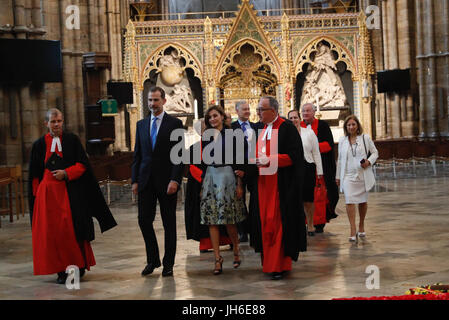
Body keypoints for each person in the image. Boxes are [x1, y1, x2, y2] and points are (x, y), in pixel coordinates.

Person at [28, 108, 117, 284]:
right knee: (53, 234)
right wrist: (38, 197)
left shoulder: (72, 140)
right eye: (53, 122)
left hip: (70, 194)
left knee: (70, 231)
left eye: (59, 121)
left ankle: (77, 266)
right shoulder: (38, 145)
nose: (57, 125)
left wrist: (66, 173)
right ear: (46, 123)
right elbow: (34, 175)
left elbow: (83, 165)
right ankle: (61, 271)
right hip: (47, 197)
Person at [132, 86, 184, 277]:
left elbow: (179, 155)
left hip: (167, 181)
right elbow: (138, 155)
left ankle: (168, 263)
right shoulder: (141, 124)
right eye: (149, 100)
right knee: (143, 221)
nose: (152, 104)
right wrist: (134, 180)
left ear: (163, 101)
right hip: (145, 181)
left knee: (169, 223)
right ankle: (152, 259)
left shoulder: (175, 123)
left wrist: (175, 180)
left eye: (155, 100)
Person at [253, 97, 306, 280]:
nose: (258, 112)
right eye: (258, 109)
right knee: (266, 223)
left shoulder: (286, 128)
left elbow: (295, 156)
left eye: (261, 109)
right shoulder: (263, 129)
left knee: (277, 224)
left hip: (280, 185)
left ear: (273, 111)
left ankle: (279, 265)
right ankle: (269, 263)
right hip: (263, 185)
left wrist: (271, 159)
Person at [200, 105, 246, 275]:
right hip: (211, 177)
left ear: (221, 116)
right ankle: (217, 258)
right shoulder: (206, 137)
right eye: (209, 117)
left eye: (215, 116)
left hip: (228, 176)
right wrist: (202, 185)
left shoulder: (233, 134)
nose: (212, 119)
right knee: (212, 220)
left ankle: (235, 250)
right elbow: (203, 162)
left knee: (229, 220)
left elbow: (240, 159)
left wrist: (240, 183)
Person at [184, 119, 232, 252]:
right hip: (201, 185)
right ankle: (206, 243)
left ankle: (228, 240)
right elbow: (192, 167)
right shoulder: (194, 148)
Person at [336, 115, 378, 242]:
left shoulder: (365, 138)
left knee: (362, 201)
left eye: (353, 124)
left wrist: (369, 161)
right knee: (349, 201)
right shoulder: (342, 140)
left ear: (357, 126)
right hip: (348, 176)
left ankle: (361, 225)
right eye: (349, 125)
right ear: (346, 127)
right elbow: (340, 159)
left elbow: (375, 152)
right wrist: (337, 176)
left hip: (362, 175)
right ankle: (352, 228)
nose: (351, 127)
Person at [300, 103, 339, 233]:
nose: (305, 113)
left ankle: (320, 222)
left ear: (314, 112)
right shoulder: (298, 126)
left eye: (308, 111)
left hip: (322, 165)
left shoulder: (323, 126)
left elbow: (328, 145)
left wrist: (314, 148)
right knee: (307, 196)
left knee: (322, 195)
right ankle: (308, 222)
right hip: (306, 166)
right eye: (303, 111)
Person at [288, 109, 323, 236]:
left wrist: (320, 171)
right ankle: (298, 225)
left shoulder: (309, 133)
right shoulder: (286, 134)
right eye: (290, 118)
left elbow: (316, 152)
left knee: (308, 198)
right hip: (292, 169)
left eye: (295, 117)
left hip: (308, 166)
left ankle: (310, 224)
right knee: (295, 198)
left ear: (299, 119)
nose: (293, 120)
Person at [231, 101, 258, 243]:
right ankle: (242, 232)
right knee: (239, 202)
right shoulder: (231, 127)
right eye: (244, 109)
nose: (247, 111)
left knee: (255, 200)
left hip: (253, 170)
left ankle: (254, 228)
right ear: (237, 111)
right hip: (238, 170)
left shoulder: (256, 126)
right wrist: (238, 169)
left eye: (248, 109)